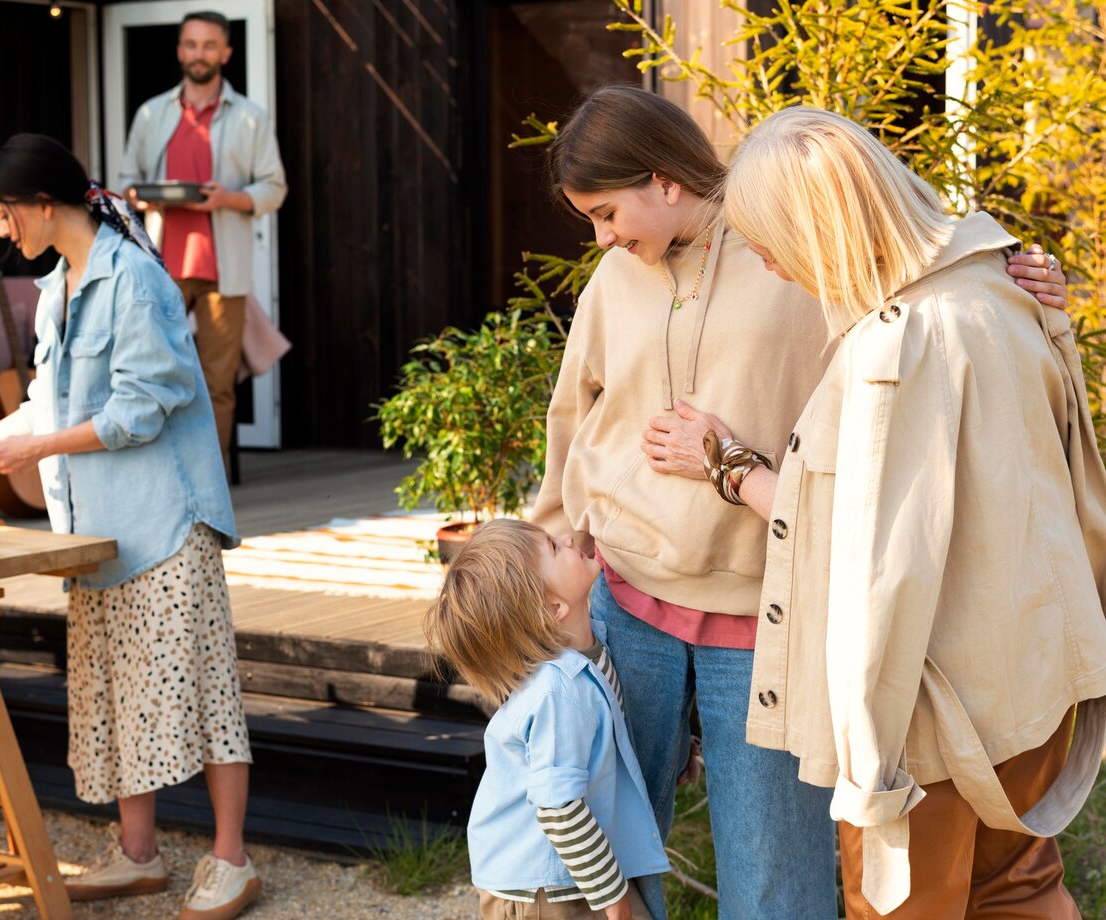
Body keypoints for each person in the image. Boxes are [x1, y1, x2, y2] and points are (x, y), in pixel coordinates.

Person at [529, 84, 1070, 919]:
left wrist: (1026, 292)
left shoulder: (807, 259)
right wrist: (540, 565)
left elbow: (888, 455)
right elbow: (575, 418)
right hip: (626, 603)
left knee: (777, 881)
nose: (601, 239)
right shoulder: (614, 280)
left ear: (664, 182)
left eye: (607, 213)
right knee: (601, 858)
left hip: (764, 617)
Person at [668, 105, 1106, 918]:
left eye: (768, 240)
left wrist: (868, 770)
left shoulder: (892, 349)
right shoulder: (1000, 280)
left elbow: (879, 572)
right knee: (1021, 892)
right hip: (1035, 692)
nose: (765, 264)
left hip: (929, 729)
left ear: (815, 227)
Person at [0, 134, 261, 920]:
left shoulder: (135, 278)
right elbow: (49, 402)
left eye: (8, 215)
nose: (5, 231)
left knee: (207, 697)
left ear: (46, 205)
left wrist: (31, 446)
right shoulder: (59, 287)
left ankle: (232, 861)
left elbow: (143, 409)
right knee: (111, 695)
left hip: (168, 525)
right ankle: (138, 855)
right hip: (99, 532)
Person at [427, 518, 672, 920]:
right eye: (554, 548)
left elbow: (605, 724)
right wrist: (614, 899)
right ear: (554, 608)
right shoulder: (557, 694)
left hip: (566, 873)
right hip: (544, 888)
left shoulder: (588, 653)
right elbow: (559, 809)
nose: (567, 537)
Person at [120, 9, 287, 459]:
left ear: (226, 53)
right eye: (191, 44)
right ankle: (159, 475)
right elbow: (126, 183)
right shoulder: (152, 113)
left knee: (217, 385)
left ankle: (209, 488)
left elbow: (275, 188)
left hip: (223, 273)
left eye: (209, 45)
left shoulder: (251, 118)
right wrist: (144, 196)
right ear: (179, 51)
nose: (199, 53)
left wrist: (226, 199)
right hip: (159, 271)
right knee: (151, 376)